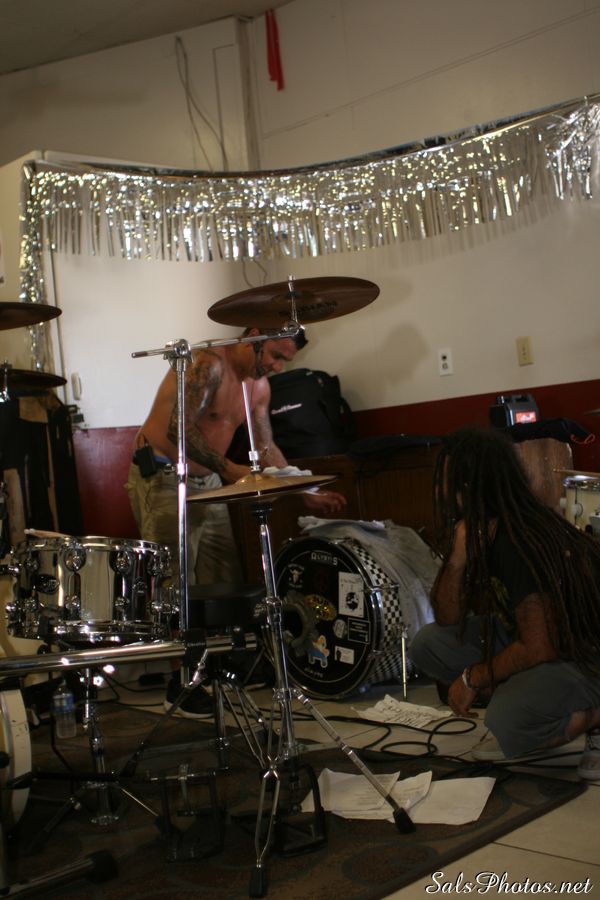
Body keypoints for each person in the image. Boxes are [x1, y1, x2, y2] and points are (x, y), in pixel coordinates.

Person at [125, 326, 346, 716]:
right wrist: (230, 469)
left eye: (285, 361)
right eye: (274, 356)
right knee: (176, 581)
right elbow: (179, 426)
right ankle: (181, 682)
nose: (276, 367)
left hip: (208, 479)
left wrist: (304, 491)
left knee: (222, 574)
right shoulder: (209, 364)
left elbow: (265, 445)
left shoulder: (259, 387)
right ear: (253, 336)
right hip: (163, 474)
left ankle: (216, 670)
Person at [410, 426, 600, 780]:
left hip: (585, 654)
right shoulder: (481, 528)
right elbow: (448, 619)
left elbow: (541, 646)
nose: (439, 491)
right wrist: (457, 559)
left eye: (447, 481)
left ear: (471, 486)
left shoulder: (521, 540)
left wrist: (475, 677)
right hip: (539, 640)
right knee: (428, 644)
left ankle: (594, 715)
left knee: (508, 721)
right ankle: (530, 696)